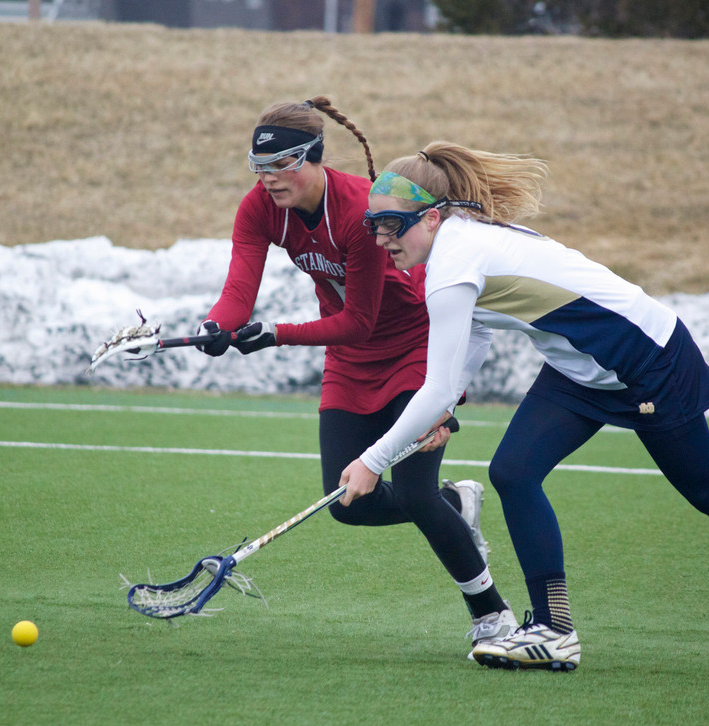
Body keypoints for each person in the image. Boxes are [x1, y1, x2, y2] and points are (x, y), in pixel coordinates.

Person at [339, 141, 709, 677]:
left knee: (707, 490)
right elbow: (477, 335)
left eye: (393, 224)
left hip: (646, 358)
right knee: (513, 471)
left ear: (433, 217)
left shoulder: (456, 258)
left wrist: (374, 459)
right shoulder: (454, 248)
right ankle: (554, 632)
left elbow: (435, 386)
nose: (383, 239)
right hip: (579, 369)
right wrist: (446, 407)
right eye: (375, 226)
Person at [194, 98, 517, 656]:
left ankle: (492, 615)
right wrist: (214, 326)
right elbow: (237, 293)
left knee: (413, 492)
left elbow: (360, 320)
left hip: (414, 348)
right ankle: (457, 504)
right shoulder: (259, 209)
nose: (271, 180)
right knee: (349, 503)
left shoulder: (356, 213)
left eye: (283, 165)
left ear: (315, 158)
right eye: (260, 167)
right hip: (348, 361)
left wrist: (274, 333)